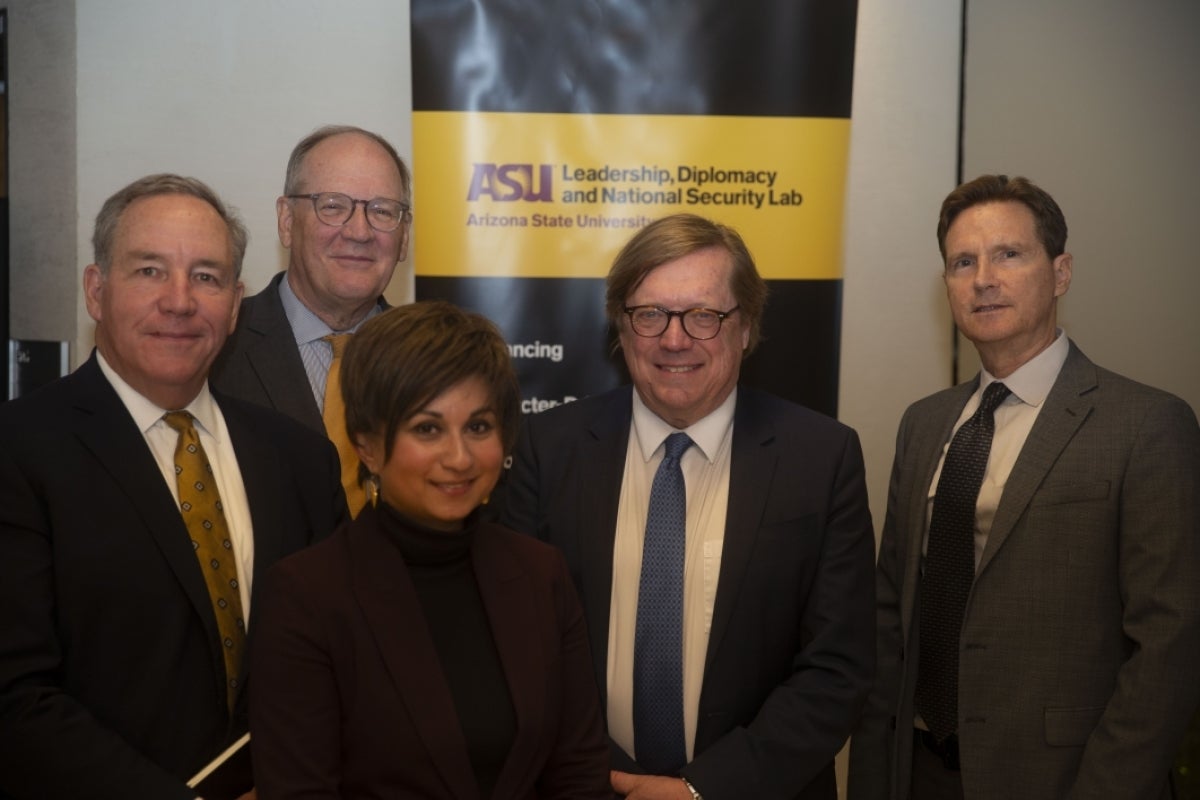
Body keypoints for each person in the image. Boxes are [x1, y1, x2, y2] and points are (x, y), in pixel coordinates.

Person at [847, 174, 1200, 800]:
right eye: (963, 261)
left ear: (1061, 273)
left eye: (1009, 253)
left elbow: (1170, 646)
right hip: (921, 771)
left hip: (1064, 780)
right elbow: (888, 626)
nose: (984, 277)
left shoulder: (1148, 424)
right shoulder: (923, 424)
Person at [501, 213, 877, 800]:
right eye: (649, 314)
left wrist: (704, 790)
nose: (674, 339)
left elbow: (838, 667)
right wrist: (608, 779)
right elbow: (518, 647)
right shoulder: (547, 450)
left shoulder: (822, 458)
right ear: (620, 329)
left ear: (746, 327)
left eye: (704, 315)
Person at [0, 174, 348, 800]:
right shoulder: (18, 450)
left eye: (207, 277)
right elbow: (13, 696)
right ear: (95, 290)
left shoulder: (300, 460)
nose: (180, 301)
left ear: (236, 303)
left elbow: (343, 663)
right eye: (150, 271)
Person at [249, 300, 612, 800]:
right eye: (428, 428)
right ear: (368, 446)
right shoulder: (306, 597)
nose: (460, 458)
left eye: (479, 427)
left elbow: (578, 772)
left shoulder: (540, 573)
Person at [211, 124, 412, 515]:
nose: (359, 231)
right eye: (333, 206)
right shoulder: (214, 346)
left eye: (382, 211)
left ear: (404, 237)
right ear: (286, 220)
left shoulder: (434, 364)